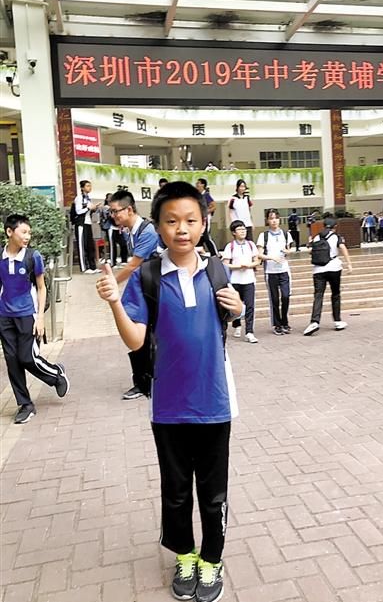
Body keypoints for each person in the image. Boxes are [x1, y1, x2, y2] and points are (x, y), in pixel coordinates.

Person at [96, 181, 242, 602]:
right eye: (172, 221)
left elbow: (230, 316)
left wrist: (240, 309)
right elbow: (136, 341)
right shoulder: (148, 277)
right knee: (176, 492)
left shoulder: (216, 271)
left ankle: (211, 560)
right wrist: (115, 302)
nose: (182, 229)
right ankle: (185, 554)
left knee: (213, 493)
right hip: (169, 407)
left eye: (190, 220)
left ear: (203, 224)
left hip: (214, 404)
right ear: (158, 226)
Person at [0, 214, 69, 424]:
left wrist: (40, 318)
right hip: (4, 316)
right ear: (9, 232)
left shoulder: (33, 256)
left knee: (27, 357)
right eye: (23, 232)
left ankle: (56, 374)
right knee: (12, 361)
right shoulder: (0, 256)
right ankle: (25, 404)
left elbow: (41, 287)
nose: (27, 236)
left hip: (27, 314)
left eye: (29, 232)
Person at [109, 190, 160, 400]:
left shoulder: (148, 232)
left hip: (154, 291)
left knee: (145, 336)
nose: (113, 216)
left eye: (116, 211)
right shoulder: (130, 231)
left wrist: (112, 283)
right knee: (140, 335)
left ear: (129, 209)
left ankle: (146, 382)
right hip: (144, 288)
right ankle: (143, 381)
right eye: (111, 212)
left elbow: (132, 266)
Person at [303, 216, 352, 336]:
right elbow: (342, 247)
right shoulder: (336, 237)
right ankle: (337, 321)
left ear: (324, 225)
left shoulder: (316, 237)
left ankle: (314, 321)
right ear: (335, 227)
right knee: (335, 294)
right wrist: (349, 264)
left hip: (318, 270)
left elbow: (310, 251)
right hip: (334, 268)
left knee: (318, 295)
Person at [222, 220, 261, 343]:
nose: (243, 231)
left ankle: (249, 332)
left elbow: (257, 261)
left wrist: (249, 265)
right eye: (239, 229)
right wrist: (238, 267)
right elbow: (225, 264)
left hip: (249, 279)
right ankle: (237, 325)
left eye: (244, 229)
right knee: (236, 305)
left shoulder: (251, 245)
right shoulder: (230, 246)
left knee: (250, 306)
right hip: (235, 280)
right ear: (234, 232)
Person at [257, 209, 294, 335]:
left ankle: (285, 322)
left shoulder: (285, 234)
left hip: (284, 270)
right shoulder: (263, 236)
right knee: (274, 299)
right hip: (270, 271)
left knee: (285, 296)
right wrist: (271, 258)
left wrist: (287, 251)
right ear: (267, 220)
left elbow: (290, 249)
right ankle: (277, 324)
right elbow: (259, 254)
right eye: (271, 218)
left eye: (276, 218)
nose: (274, 221)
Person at [73, 179, 100, 273]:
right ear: (82, 188)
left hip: (88, 223)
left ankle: (93, 267)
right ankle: (84, 268)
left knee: (90, 245)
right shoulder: (79, 198)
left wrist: (94, 208)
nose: (90, 187)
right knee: (82, 245)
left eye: (90, 186)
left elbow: (89, 210)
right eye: (87, 186)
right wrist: (88, 208)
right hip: (81, 223)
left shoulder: (88, 198)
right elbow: (78, 211)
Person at [100, 193, 128, 266]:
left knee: (123, 243)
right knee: (112, 245)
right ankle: (113, 262)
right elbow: (108, 217)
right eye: (109, 198)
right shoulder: (105, 208)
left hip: (119, 228)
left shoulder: (117, 206)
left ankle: (124, 260)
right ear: (107, 199)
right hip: (111, 228)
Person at [195, 178, 219, 256]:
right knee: (200, 235)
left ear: (203, 185)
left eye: (198, 183)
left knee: (206, 236)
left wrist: (205, 212)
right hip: (199, 219)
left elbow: (214, 206)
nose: (196, 185)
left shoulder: (206, 195)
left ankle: (215, 253)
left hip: (205, 219)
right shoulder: (198, 196)